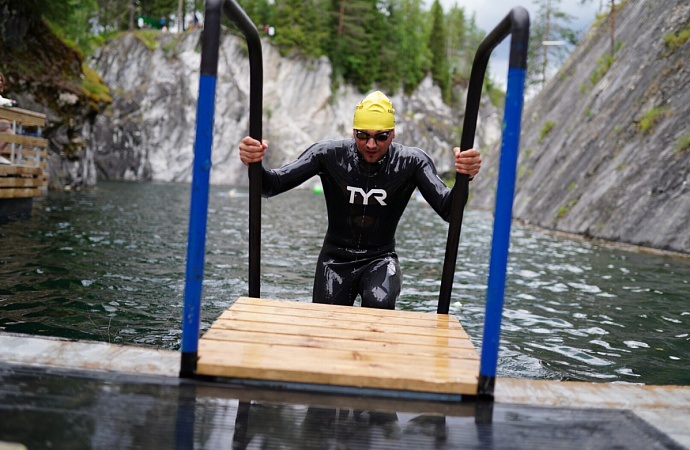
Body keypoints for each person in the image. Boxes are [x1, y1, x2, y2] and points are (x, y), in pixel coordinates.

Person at [238, 91, 481, 309]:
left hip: (380, 260)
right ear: (353, 132)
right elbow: (270, 186)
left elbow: (450, 211)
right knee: (327, 323)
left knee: (379, 301)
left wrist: (463, 177)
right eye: (362, 135)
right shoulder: (327, 154)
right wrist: (254, 163)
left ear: (393, 134)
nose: (371, 144)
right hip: (334, 260)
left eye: (381, 136)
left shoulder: (412, 162)